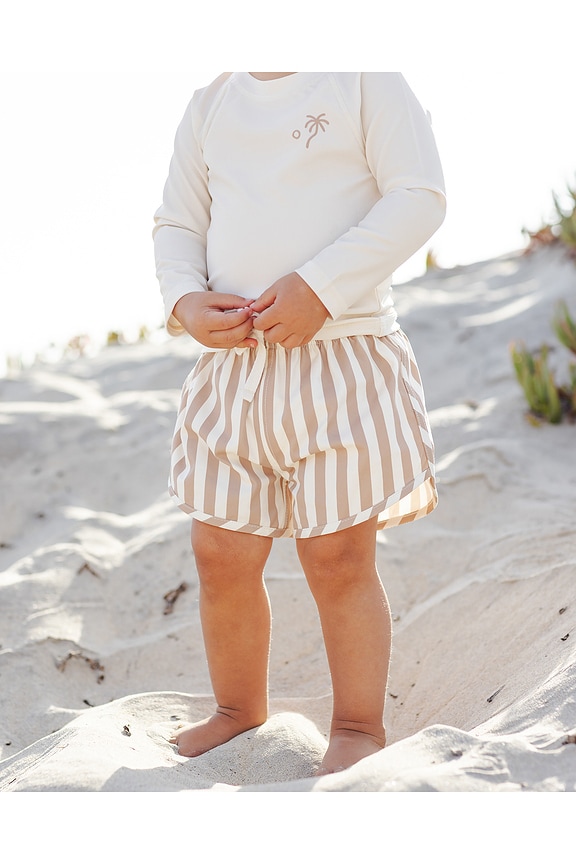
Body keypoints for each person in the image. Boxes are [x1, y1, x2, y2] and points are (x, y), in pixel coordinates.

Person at [153, 71, 445, 775]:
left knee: (337, 556)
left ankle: (356, 725)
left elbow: (419, 197)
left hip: (342, 360)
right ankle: (237, 707)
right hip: (236, 370)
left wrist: (323, 285)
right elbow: (177, 225)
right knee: (220, 553)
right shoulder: (210, 104)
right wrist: (187, 301)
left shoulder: (365, 78)